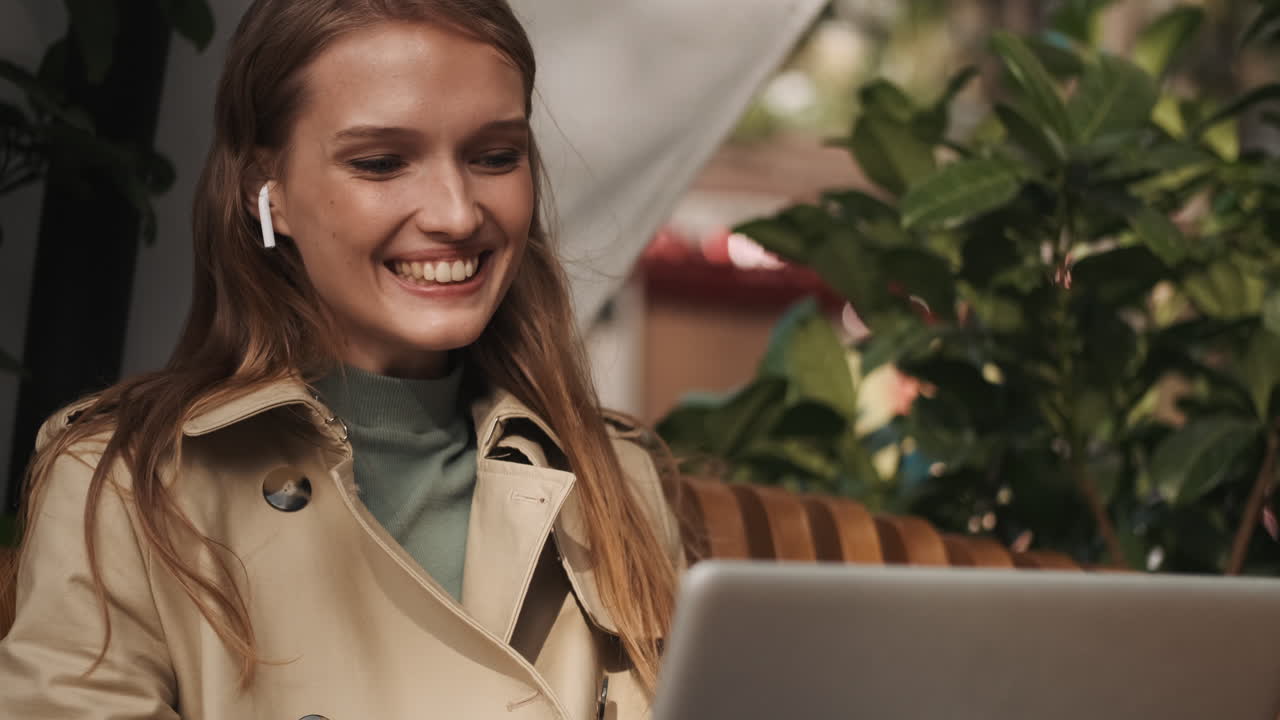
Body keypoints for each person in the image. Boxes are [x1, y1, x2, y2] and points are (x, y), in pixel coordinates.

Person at [0, 1, 685, 717]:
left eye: (494, 156)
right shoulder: (125, 484)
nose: (456, 213)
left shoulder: (619, 479)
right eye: (382, 162)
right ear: (266, 190)